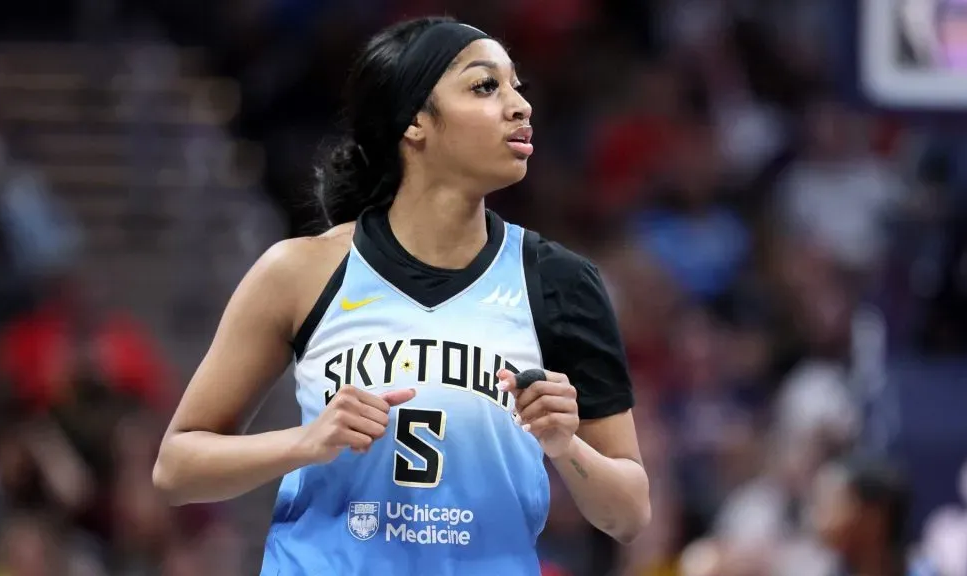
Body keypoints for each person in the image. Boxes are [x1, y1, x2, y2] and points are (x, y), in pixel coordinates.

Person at [152, 16, 651, 575]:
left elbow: (628, 514)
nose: (519, 106)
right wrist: (306, 441)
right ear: (416, 121)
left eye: (518, 88)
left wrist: (567, 447)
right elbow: (177, 467)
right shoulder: (302, 271)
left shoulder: (561, 282)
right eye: (486, 86)